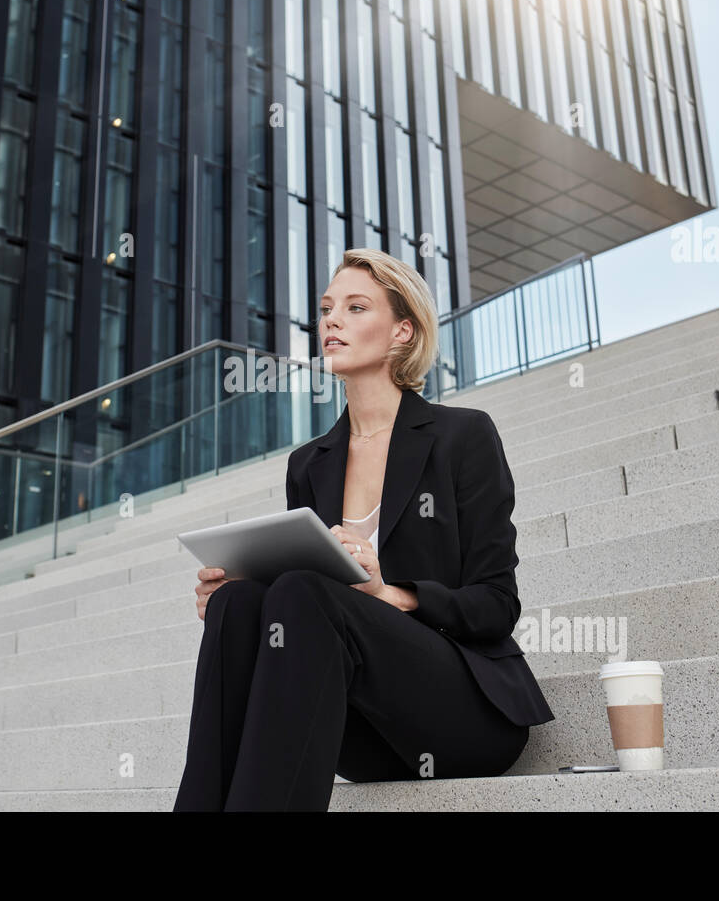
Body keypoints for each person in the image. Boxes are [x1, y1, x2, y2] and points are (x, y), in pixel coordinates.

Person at [173, 249, 554, 811]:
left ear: (403, 331)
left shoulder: (462, 436)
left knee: (305, 591)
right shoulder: (309, 464)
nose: (331, 321)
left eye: (355, 308)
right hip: (365, 735)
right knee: (238, 603)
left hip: (466, 715)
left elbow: (497, 605)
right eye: (327, 309)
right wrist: (240, 592)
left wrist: (388, 594)